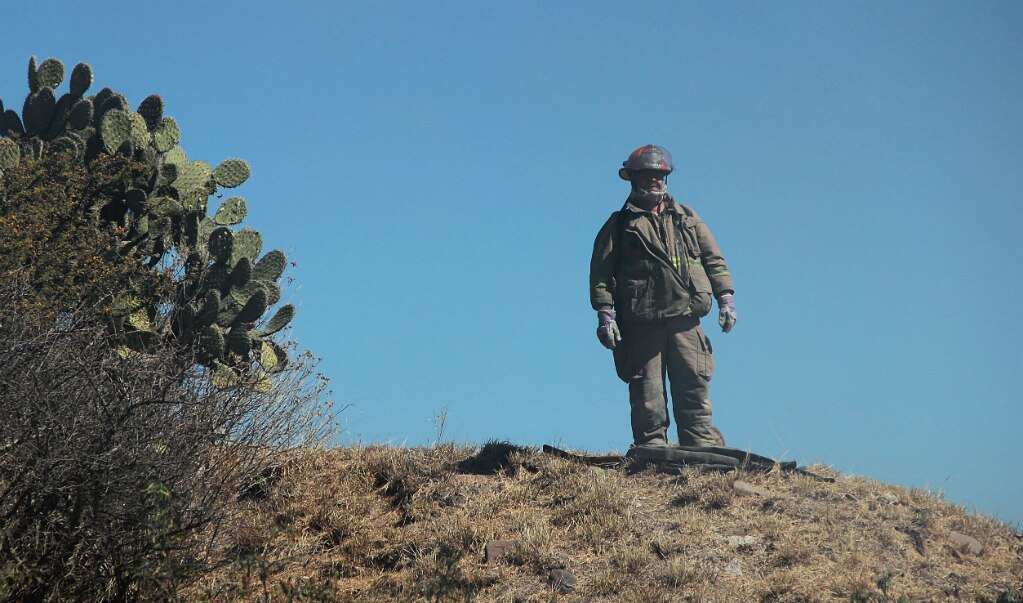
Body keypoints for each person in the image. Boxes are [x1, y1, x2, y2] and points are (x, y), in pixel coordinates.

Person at [589, 144, 737, 448]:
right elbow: (601, 275)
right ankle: (652, 448)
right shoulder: (619, 225)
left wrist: (726, 298)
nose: (655, 180)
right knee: (648, 391)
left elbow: (714, 260)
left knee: (693, 384)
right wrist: (605, 315)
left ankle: (701, 447)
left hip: (686, 320)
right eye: (647, 175)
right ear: (633, 179)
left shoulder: (687, 218)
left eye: (659, 175)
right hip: (642, 324)